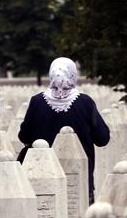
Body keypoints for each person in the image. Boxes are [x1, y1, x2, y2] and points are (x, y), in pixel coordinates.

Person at [18, 57, 110, 204]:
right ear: (73, 75)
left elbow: (23, 136)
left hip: (43, 178)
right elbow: (102, 138)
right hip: (79, 179)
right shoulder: (85, 103)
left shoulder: (37, 102)